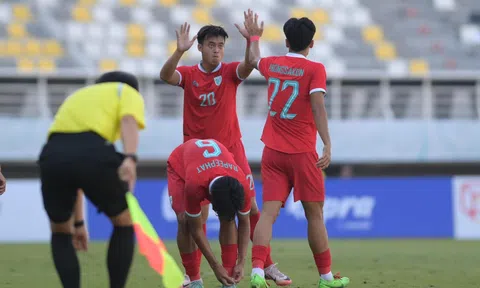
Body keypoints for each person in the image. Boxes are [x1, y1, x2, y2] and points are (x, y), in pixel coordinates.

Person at [159, 9, 291, 287]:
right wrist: (178, 51)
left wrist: (251, 40)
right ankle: (192, 274)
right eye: (211, 45)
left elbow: (249, 64)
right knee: (194, 217)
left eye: (220, 45)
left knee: (250, 209)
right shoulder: (189, 73)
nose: (217, 50)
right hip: (196, 157)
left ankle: (264, 264)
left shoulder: (230, 72)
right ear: (200, 47)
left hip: (232, 153)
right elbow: (165, 75)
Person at [243, 14, 350, 288]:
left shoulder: (274, 63)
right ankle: (326, 277)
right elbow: (317, 106)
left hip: (272, 151)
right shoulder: (315, 69)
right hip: (303, 153)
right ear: (312, 43)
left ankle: (256, 270)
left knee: (268, 213)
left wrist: (254, 38)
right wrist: (326, 142)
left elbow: (254, 59)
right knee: (314, 215)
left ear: (286, 41)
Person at [37, 71, 146, 288]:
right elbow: (127, 120)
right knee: (124, 222)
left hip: (52, 154)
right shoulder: (125, 90)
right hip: (93, 151)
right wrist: (130, 158)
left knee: (60, 231)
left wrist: (78, 223)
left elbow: (75, 172)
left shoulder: (79, 95)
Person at [167, 138, 251, 288]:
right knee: (185, 221)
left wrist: (241, 262)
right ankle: (194, 280)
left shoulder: (241, 185)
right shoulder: (194, 187)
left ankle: (229, 278)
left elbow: (244, 222)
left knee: (228, 219)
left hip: (208, 166)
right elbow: (196, 229)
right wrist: (215, 266)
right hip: (180, 165)